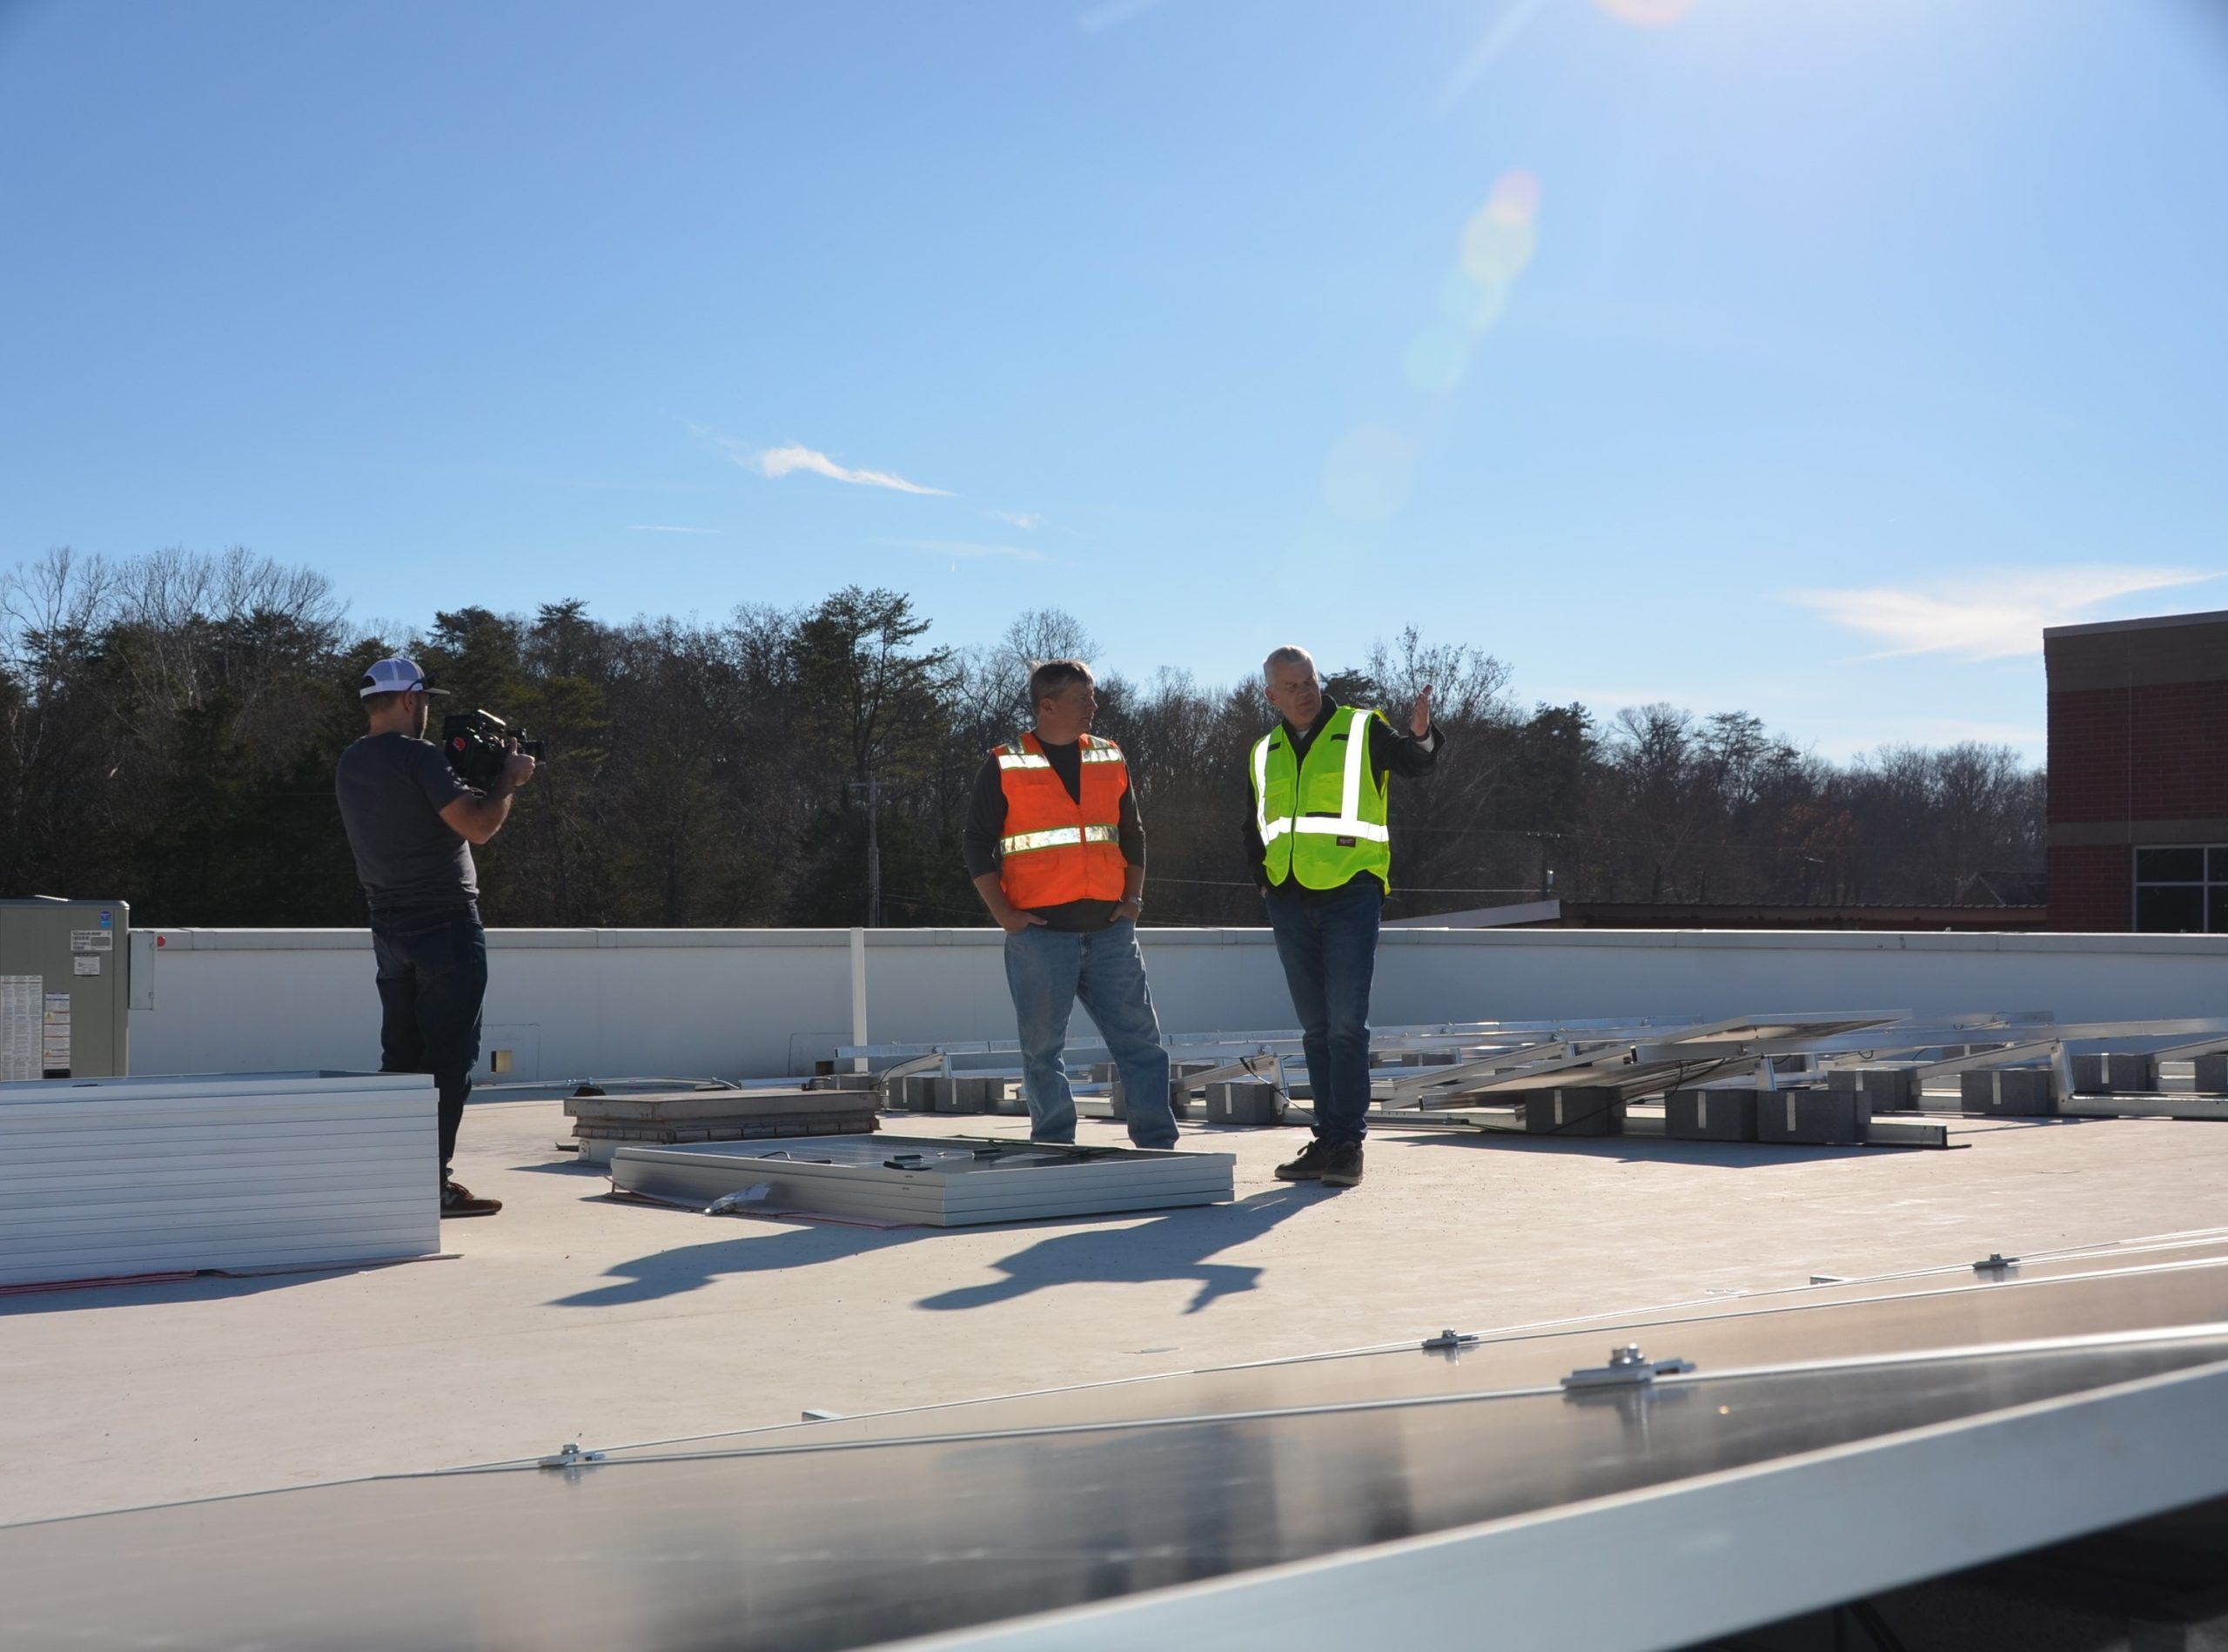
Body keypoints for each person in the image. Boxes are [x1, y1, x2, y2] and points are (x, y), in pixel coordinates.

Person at [335, 657, 535, 1218]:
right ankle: (431, 1183)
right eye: (423, 702)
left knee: (400, 1058)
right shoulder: (418, 756)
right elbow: (479, 826)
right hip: (445, 922)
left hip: (387, 925)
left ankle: (392, 1177)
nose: (426, 712)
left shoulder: (352, 762)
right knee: (448, 1060)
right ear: (407, 701)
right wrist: (507, 780)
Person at [1244, 646, 1440, 1188]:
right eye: (1292, 686)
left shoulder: (1360, 728)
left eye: (1309, 680)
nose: (1305, 692)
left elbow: (1412, 761)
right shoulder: (1264, 752)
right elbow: (1253, 826)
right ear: (1272, 695)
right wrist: (1264, 882)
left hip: (1350, 892)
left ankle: (1348, 1144)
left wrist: (1422, 735)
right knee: (1316, 1029)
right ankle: (1326, 1140)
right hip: (1288, 898)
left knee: (1347, 1025)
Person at [963, 659, 1178, 1151]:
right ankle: (1054, 1146)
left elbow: (1133, 833)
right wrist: (1005, 916)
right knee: (1042, 1052)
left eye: (1092, 696)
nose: (1094, 706)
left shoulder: (1110, 757)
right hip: (1039, 935)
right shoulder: (1004, 762)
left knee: (1141, 1044)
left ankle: (1160, 1144)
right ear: (1047, 705)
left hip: (1110, 931)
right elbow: (976, 842)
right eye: (1083, 699)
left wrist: (1134, 900)